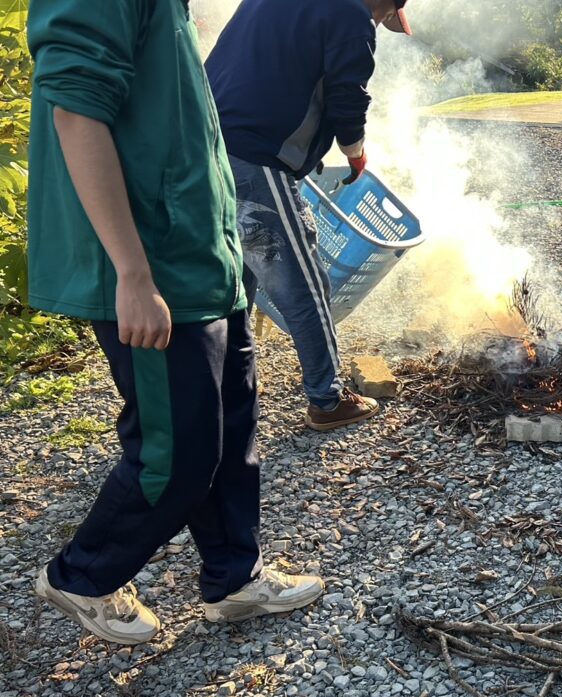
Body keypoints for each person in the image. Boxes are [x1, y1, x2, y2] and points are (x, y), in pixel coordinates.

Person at [27, 0, 324, 645]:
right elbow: (76, 112)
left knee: (233, 426)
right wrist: (133, 275)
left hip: (201, 258)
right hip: (151, 266)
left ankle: (235, 578)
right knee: (178, 451)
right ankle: (83, 575)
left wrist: (225, 256)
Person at [205, 0, 412, 432]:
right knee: (303, 282)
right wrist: (355, 153)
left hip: (206, 143)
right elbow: (347, 98)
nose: (377, 23)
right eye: (383, 17)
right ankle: (327, 400)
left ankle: (224, 385)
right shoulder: (352, 12)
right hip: (256, 154)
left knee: (235, 277)